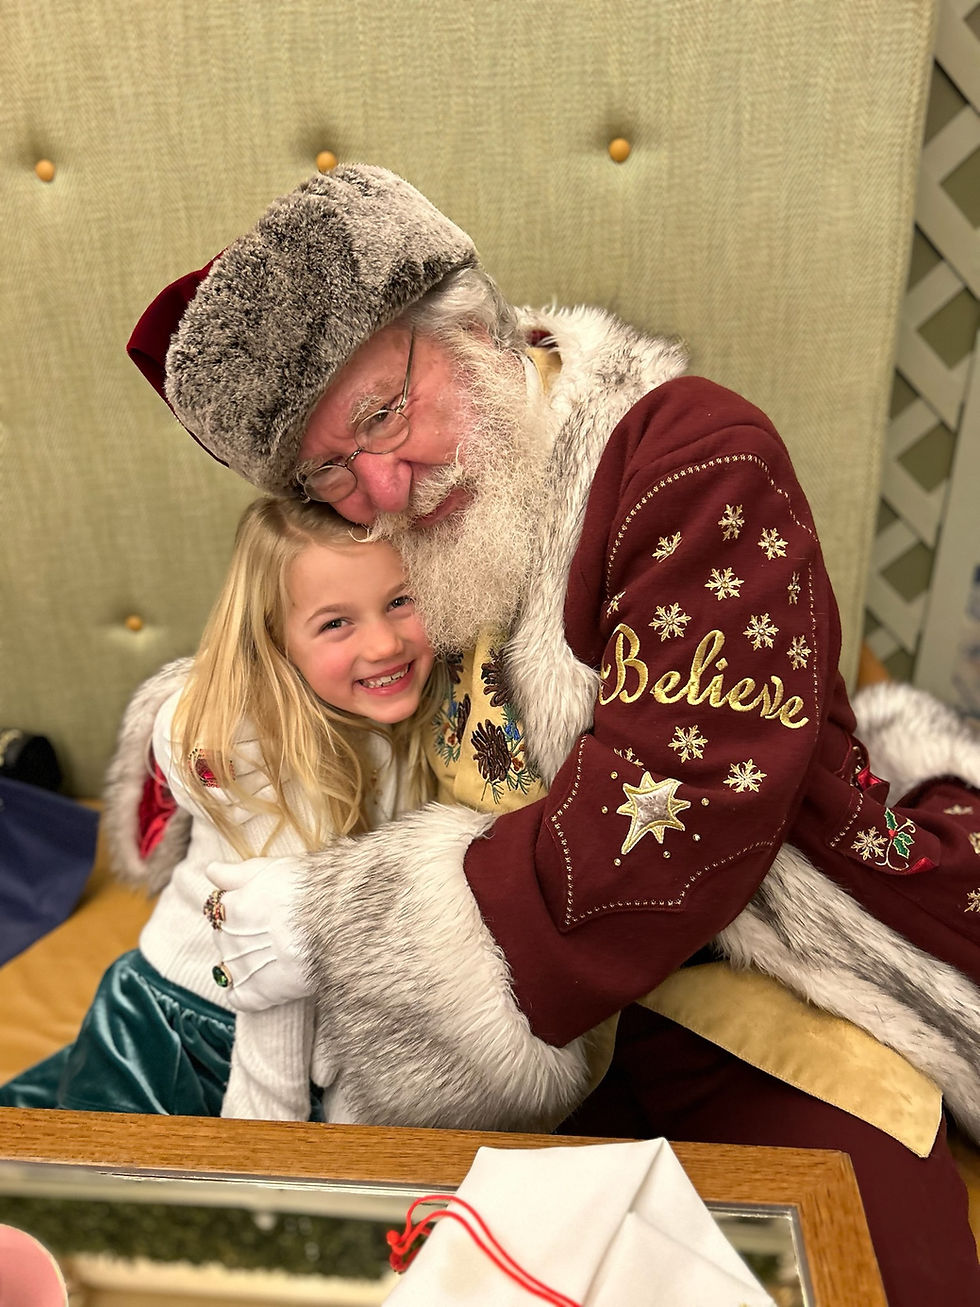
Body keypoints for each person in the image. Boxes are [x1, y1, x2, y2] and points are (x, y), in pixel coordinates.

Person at [118, 166, 980, 1300]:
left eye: (383, 414)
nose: (384, 485)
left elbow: (683, 808)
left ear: (474, 324)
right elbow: (313, 655)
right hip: (540, 1038)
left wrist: (343, 920)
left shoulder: (690, 453)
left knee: (871, 1281)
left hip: (774, 973)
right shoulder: (393, 530)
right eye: (328, 468)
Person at [0, 493, 440, 1119]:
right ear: (274, 641)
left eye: (400, 601)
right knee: (100, 1188)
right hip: (191, 1021)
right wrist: (268, 1150)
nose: (384, 642)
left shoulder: (420, 704)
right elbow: (272, 955)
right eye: (335, 622)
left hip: (317, 1018)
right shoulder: (256, 742)